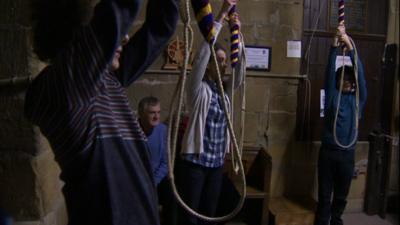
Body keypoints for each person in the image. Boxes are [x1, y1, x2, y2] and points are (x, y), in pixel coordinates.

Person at [24, 0, 178, 224]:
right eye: (97, 31)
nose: (124, 38)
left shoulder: (103, 81)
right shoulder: (64, 88)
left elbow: (160, 27)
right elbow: (118, 11)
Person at [177, 0, 245, 224]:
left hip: (216, 165)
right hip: (196, 164)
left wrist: (238, 34)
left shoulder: (224, 93)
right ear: (209, 64)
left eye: (225, 61)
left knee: (210, 213)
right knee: (191, 216)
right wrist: (222, 15)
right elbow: (204, 53)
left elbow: (239, 74)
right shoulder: (198, 89)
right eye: (219, 60)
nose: (223, 64)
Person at [314, 25, 367, 225]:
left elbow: (361, 77)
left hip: (347, 155)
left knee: (340, 197)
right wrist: (334, 46)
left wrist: (350, 46)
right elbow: (328, 74)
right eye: (342, 79)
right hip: (328, 153)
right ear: (338, 82)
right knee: (324, 197)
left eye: (349, 79)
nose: (346, 82)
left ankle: (336, 222)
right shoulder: (332, 99)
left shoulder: (357, 101)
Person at [138, 96, 177, 225]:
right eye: (152, 113)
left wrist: (153, 182)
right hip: (137, 179)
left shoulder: (163, 130)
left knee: (172, 195)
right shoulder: (132, 131)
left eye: (158, 112)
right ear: (142, 114)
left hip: (156, 179)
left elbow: (165, 163)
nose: (156, 116)